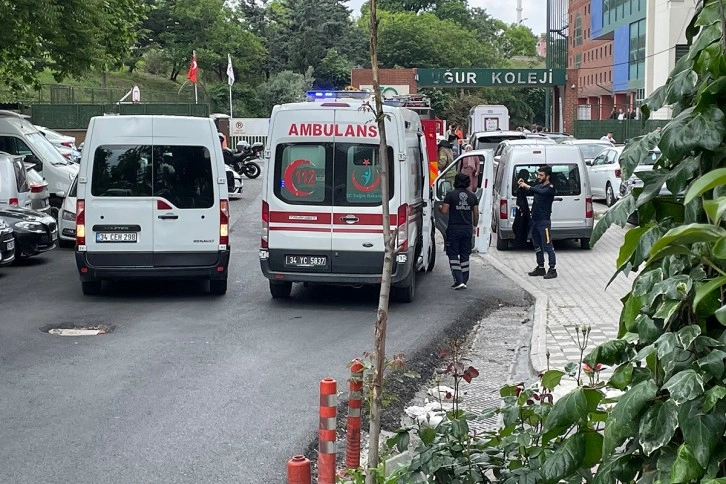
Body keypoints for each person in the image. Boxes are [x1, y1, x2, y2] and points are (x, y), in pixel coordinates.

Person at [439, 173, 479, 289]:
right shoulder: (472, 196)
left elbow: (444, 210)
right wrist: (474, 226)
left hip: (454, 230)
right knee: (465, 255)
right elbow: (476, 213)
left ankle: (459, 280)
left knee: (452, 254)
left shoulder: (450, 195)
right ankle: (464, 280)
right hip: (467, 229)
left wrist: (439, 208)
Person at [517, 165, 557, 279]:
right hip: (534, 220)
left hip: (544, 222)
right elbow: (531, 191)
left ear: (547, 176)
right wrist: (522, 185)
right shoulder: (538, 186)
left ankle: (552, 269)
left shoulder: (550, 188)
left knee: (547, 245)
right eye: (538, 174)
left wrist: (528, 186)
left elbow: (540, 192)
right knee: (537, 245)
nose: (539, 177)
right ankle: (540, 267)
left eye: (541, 175)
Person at [512, 168, 531, 247]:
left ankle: (520, 241)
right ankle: (521, 241)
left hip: (521, 210)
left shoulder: (518, 185)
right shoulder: (520, 186)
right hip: (522, 210)